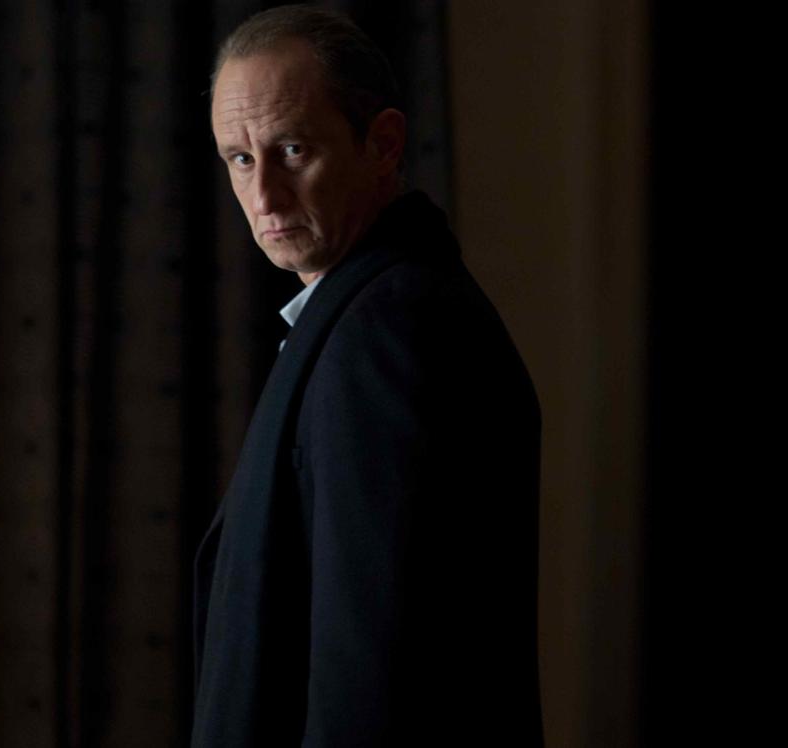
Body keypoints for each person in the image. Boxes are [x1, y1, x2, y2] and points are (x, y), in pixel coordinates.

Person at [191, 6, 544, 746]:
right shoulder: (375, 310)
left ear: (382, 144)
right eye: (241, 159)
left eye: (292, 150)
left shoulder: (389, 330)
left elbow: (374, 669)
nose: (265, 198)